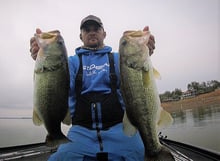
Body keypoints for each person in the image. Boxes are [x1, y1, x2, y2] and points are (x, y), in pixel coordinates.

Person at [30, 15, 156, 161]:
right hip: (80, 132)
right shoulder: (69, 62)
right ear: (80, 36)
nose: (92, 32)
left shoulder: (119, 58)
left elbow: (138, 77)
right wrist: (42, 56)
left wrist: (146, 51)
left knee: (143, 155)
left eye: (96, 28)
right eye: (86, 29)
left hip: (120, 129)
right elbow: (53, 82)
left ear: (104, 34)